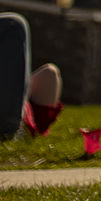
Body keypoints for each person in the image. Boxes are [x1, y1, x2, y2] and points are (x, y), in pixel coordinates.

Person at [3, 12, 65, 140]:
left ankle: (9, 128)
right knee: (13, 24)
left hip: (15, 116)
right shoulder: (30, 118)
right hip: (17, 117)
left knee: (13, 24)